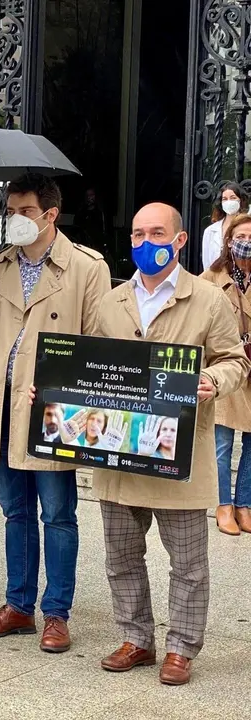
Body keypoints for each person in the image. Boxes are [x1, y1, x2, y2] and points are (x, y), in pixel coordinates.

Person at [0, 173, 111, 652]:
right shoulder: (1, 264)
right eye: (10, 210)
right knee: (15, 511)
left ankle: (56, 613)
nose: (14, 219)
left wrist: (64, 392)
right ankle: (18, 606)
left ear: (50, 214)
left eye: (25, 211)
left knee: (57, 514)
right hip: (1, 405)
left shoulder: (86, 267)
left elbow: (97, 344)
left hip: (49, 409)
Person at [91, 202, 249, 686]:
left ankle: (181, 647)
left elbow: (234, 360)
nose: (146, 242)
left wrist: (212, 380)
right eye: (138, 234)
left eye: (157, 233)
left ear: (180, 241)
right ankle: (136, 639)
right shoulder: (112, 301)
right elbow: (90, 364)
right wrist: (54, 392)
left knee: (188, 563)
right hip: (118, 450)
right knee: (121, 557)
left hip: (178, 452)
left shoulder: (208, 299)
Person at [201, 215, 251, 534]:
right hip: (225, 367)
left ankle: (244, 504)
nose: (247, 242)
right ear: (229, 241)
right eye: (241, 236)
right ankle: (223, 505)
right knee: (221, 443)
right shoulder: (210, 278)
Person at [202, 182, 247, 271]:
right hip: (216, 277)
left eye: (233, 198)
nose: (229, 202)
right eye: (225, 199)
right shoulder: (210, 231)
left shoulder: (248, 227)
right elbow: (206, 263)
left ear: (240, 200)